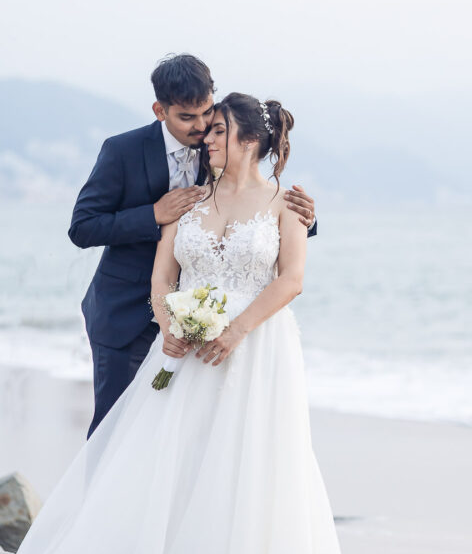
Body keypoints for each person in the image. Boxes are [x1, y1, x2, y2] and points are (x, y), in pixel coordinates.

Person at [0, 89, 402, 554]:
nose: (206, 139)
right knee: (165, 465)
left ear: (249, 138)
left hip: (257, 356)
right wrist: (169, 320)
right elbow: (162, 271)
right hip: (183, 352)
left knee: (250, 474)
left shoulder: (286, 205)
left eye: (217, 130)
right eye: (202, 128)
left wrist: (236, 330)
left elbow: (291, 278)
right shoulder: (190, 199)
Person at [69, 54, 317, 437]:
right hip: (126, 314)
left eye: (207, 115)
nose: (201, 128)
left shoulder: (220, 142)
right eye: (188, 118)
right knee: (114, 434)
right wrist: (153, 213)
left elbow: (254, 209)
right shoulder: (122, 151)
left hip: (206, 319)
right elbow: (82, 228)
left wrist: (306, 218)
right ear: (160, 111)